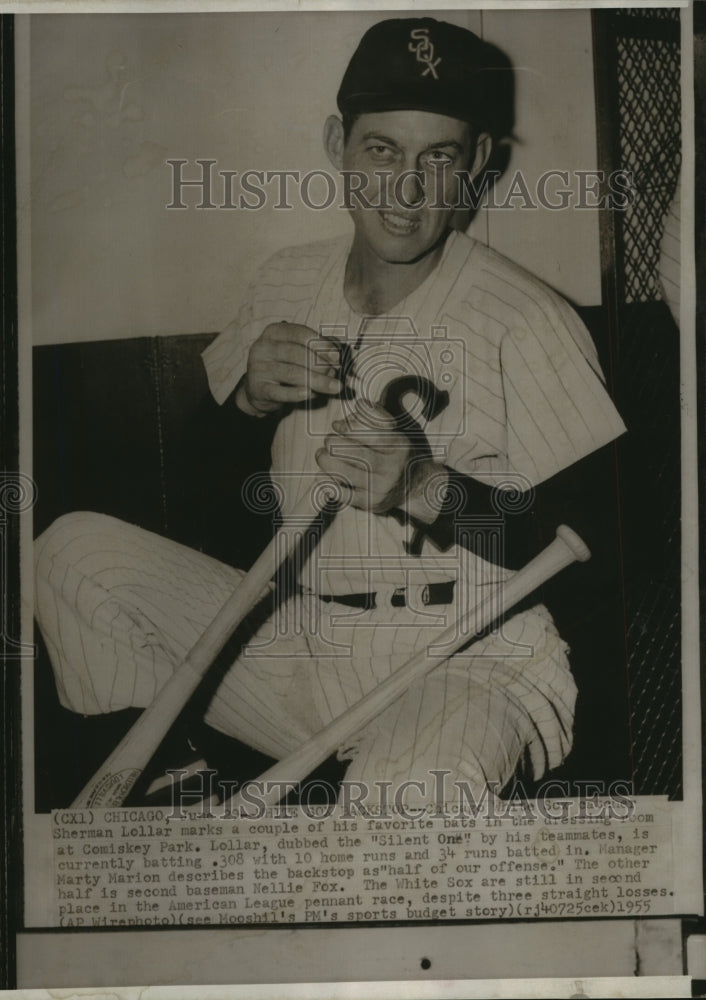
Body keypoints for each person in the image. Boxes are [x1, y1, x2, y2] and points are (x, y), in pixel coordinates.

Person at [34, 17, 626, 807]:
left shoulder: (527, 317)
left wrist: (426, 489)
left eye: (437, 157)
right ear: (337, 145)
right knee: (74, 553)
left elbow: (608, 545)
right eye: (382, 151)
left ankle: (385, 786)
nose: (407, 190)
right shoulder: (284, 280)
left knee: (406, 795)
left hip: (468, 657)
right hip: (299, 645)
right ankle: (174, 778)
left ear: (477, 164)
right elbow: (203, 494)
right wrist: (245, 401)